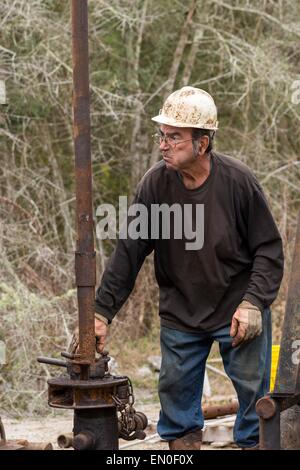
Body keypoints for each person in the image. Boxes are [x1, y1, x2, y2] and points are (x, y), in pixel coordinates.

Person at [92, 86, 284, 450]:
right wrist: (102, 312)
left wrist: (253, 302)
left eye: (174, 137)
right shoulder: (155, 184)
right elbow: (129, 252)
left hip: (236, 309)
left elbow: (269, 250)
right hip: (182, 311)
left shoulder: (238, 182)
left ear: (203, 142)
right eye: (161, 136)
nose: (163, 144)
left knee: (253, 404)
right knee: (177, 408)